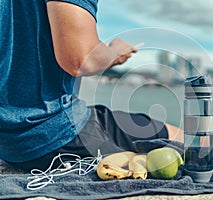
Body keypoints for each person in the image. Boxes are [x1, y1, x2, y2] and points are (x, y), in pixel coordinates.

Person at [0, 0, 183, 172]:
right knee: (183, 139)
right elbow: (81, 59)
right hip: (48, 136)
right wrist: (115, 51)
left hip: (5, 140)